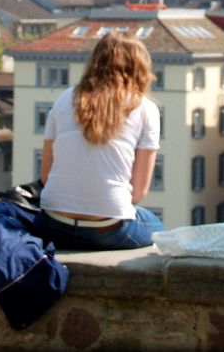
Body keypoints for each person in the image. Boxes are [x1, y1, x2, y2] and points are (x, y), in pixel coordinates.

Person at [31, 31, 166, 250]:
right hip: (109, 228)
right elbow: (139, 192)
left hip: (54, 223)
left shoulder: (64, 99)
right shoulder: (145, 108)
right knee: (158, 228)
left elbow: (46, 176)